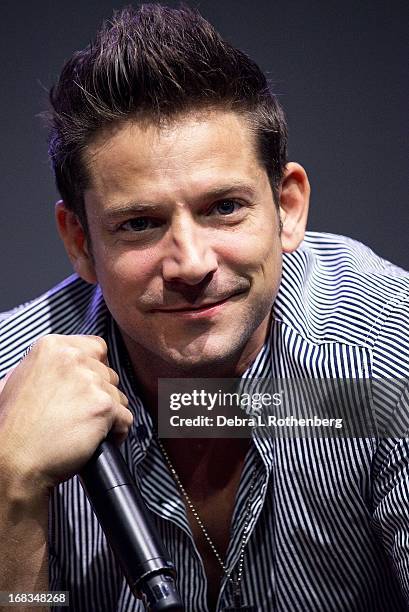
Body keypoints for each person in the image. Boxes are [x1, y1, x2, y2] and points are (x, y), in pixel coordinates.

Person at [0, 5, 408, 612]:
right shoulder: (8, 387)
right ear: (80, 242)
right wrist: (11, 488)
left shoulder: (387, 351)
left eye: (224, 208)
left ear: (288, 207)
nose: (191, 264)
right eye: (139, 224)